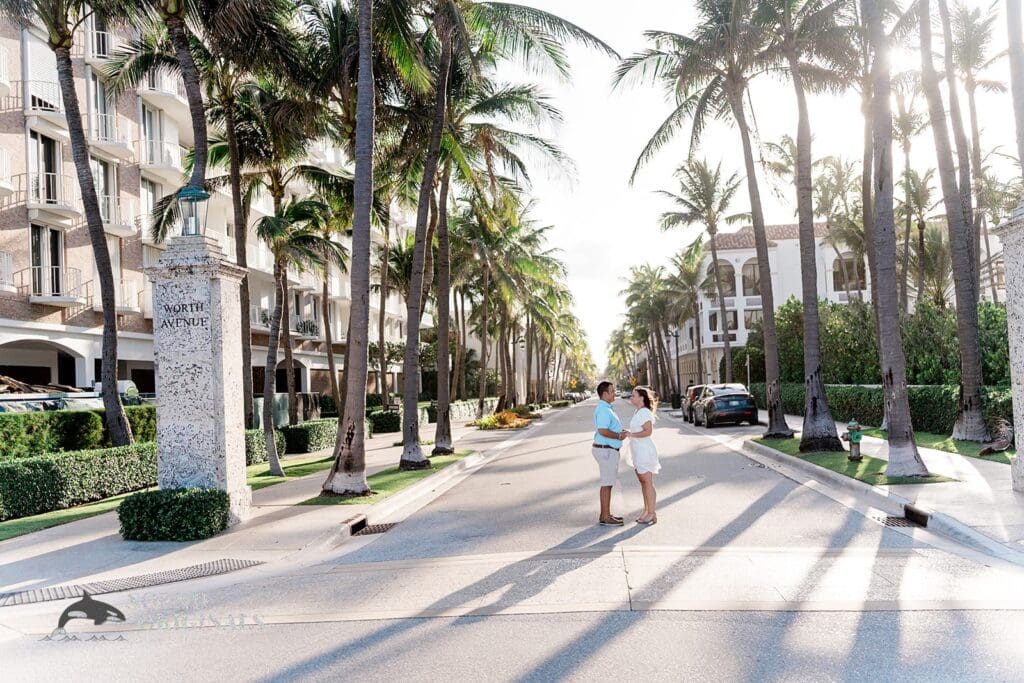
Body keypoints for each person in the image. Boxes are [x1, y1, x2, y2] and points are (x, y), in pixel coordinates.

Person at [593, 380, 628, 526]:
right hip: (605, 449)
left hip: (607, 449)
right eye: (612, 391)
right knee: (607, 484)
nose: (614, 393)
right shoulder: (603, 409)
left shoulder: (606, 408)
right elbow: (603, 430)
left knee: (608, 483)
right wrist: (618, 436)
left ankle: (605, 514)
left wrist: (620, 431)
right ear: (605, 393)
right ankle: (605, 517)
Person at [626, 386, 659, 525]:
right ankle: (646, 510)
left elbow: (648, 431)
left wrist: (631, 434)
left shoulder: (644, 412)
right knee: (643, 483)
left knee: (647, 482)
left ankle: (652, 513)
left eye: (633, 395)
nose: (631, 397)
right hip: (637, 450)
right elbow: (639, 429)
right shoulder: (638, 411)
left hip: (645, 450)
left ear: (641, 398)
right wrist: (629, 432)